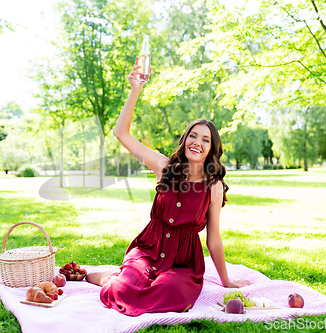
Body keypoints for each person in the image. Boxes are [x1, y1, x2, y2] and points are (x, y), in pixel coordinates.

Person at [86, 58, 251, 316]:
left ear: (212, 149)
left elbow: (214, 239)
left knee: (172, 295)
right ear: (185, 140)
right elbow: (122, 134)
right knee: (125, 290)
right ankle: (111, 278)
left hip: (183, 262)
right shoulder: (163, 166)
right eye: (192, 136)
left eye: (205, 139)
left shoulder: (213, 186)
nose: (197, 142)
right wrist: (135, 90)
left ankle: (118, 279)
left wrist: (226, 281)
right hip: (148, 250)